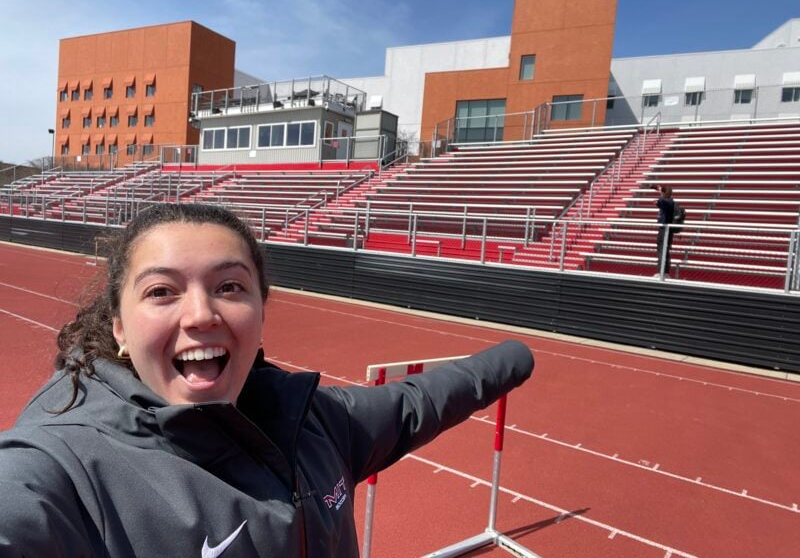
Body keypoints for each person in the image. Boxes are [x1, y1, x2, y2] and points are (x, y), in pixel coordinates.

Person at [0, 203, 534, 556]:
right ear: (119, 325)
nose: (200, 314)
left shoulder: (320, 423)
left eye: (229, 286)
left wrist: (517, 356)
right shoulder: (64, 470)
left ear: (261, 312)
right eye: (162, 291)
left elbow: (423, 400)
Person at [651, 183, 675, 277]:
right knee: (665, 250)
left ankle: (662, 272)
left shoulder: (667, 201)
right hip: (666, 229)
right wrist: (660, 190)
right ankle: (665, 272)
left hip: (664, 230)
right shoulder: (669, 201)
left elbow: (660, 201)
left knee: (662, 250)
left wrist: (661, 191)